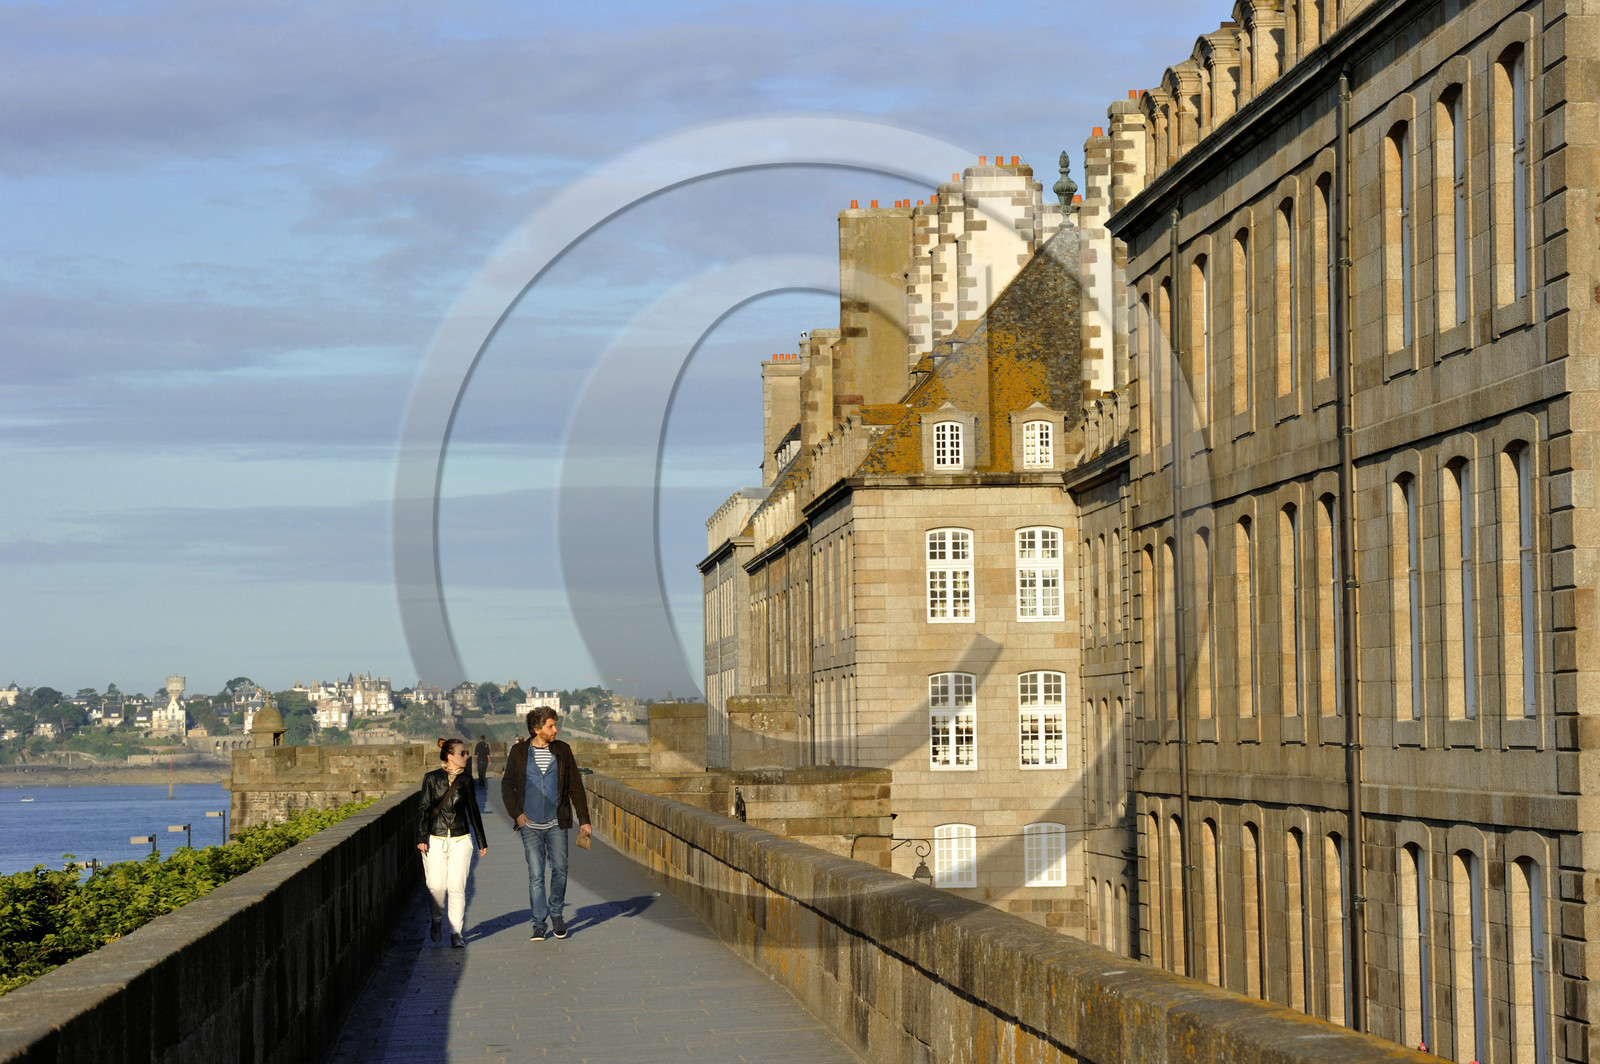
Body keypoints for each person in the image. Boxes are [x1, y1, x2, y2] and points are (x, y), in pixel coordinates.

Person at [502, 707, 591, 941]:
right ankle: (538, 923)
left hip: (556, 822)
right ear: (537, 729)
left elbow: (575, 786)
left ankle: (557, 913)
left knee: (561, 868)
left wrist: (584, 820)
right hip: (529, 824)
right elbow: (507, 786)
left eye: (555, 725)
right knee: (536, 874)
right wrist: (517, 815)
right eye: (551, 726)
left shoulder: (562, 750)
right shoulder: (519, 752)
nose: (555, 729)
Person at [417, 737, 488, 948]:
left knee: (457, 887)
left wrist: (481, 840)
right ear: (450, 756)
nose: (467, 756)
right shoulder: (431, 779)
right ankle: (437, 920)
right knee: (436, 886)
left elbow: (473, 810)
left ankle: (456, 932)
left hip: (460, 838)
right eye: (462, 753)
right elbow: (424, 809)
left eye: (466, 753)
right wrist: (421, 837)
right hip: (435, 838)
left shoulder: (466, 781)